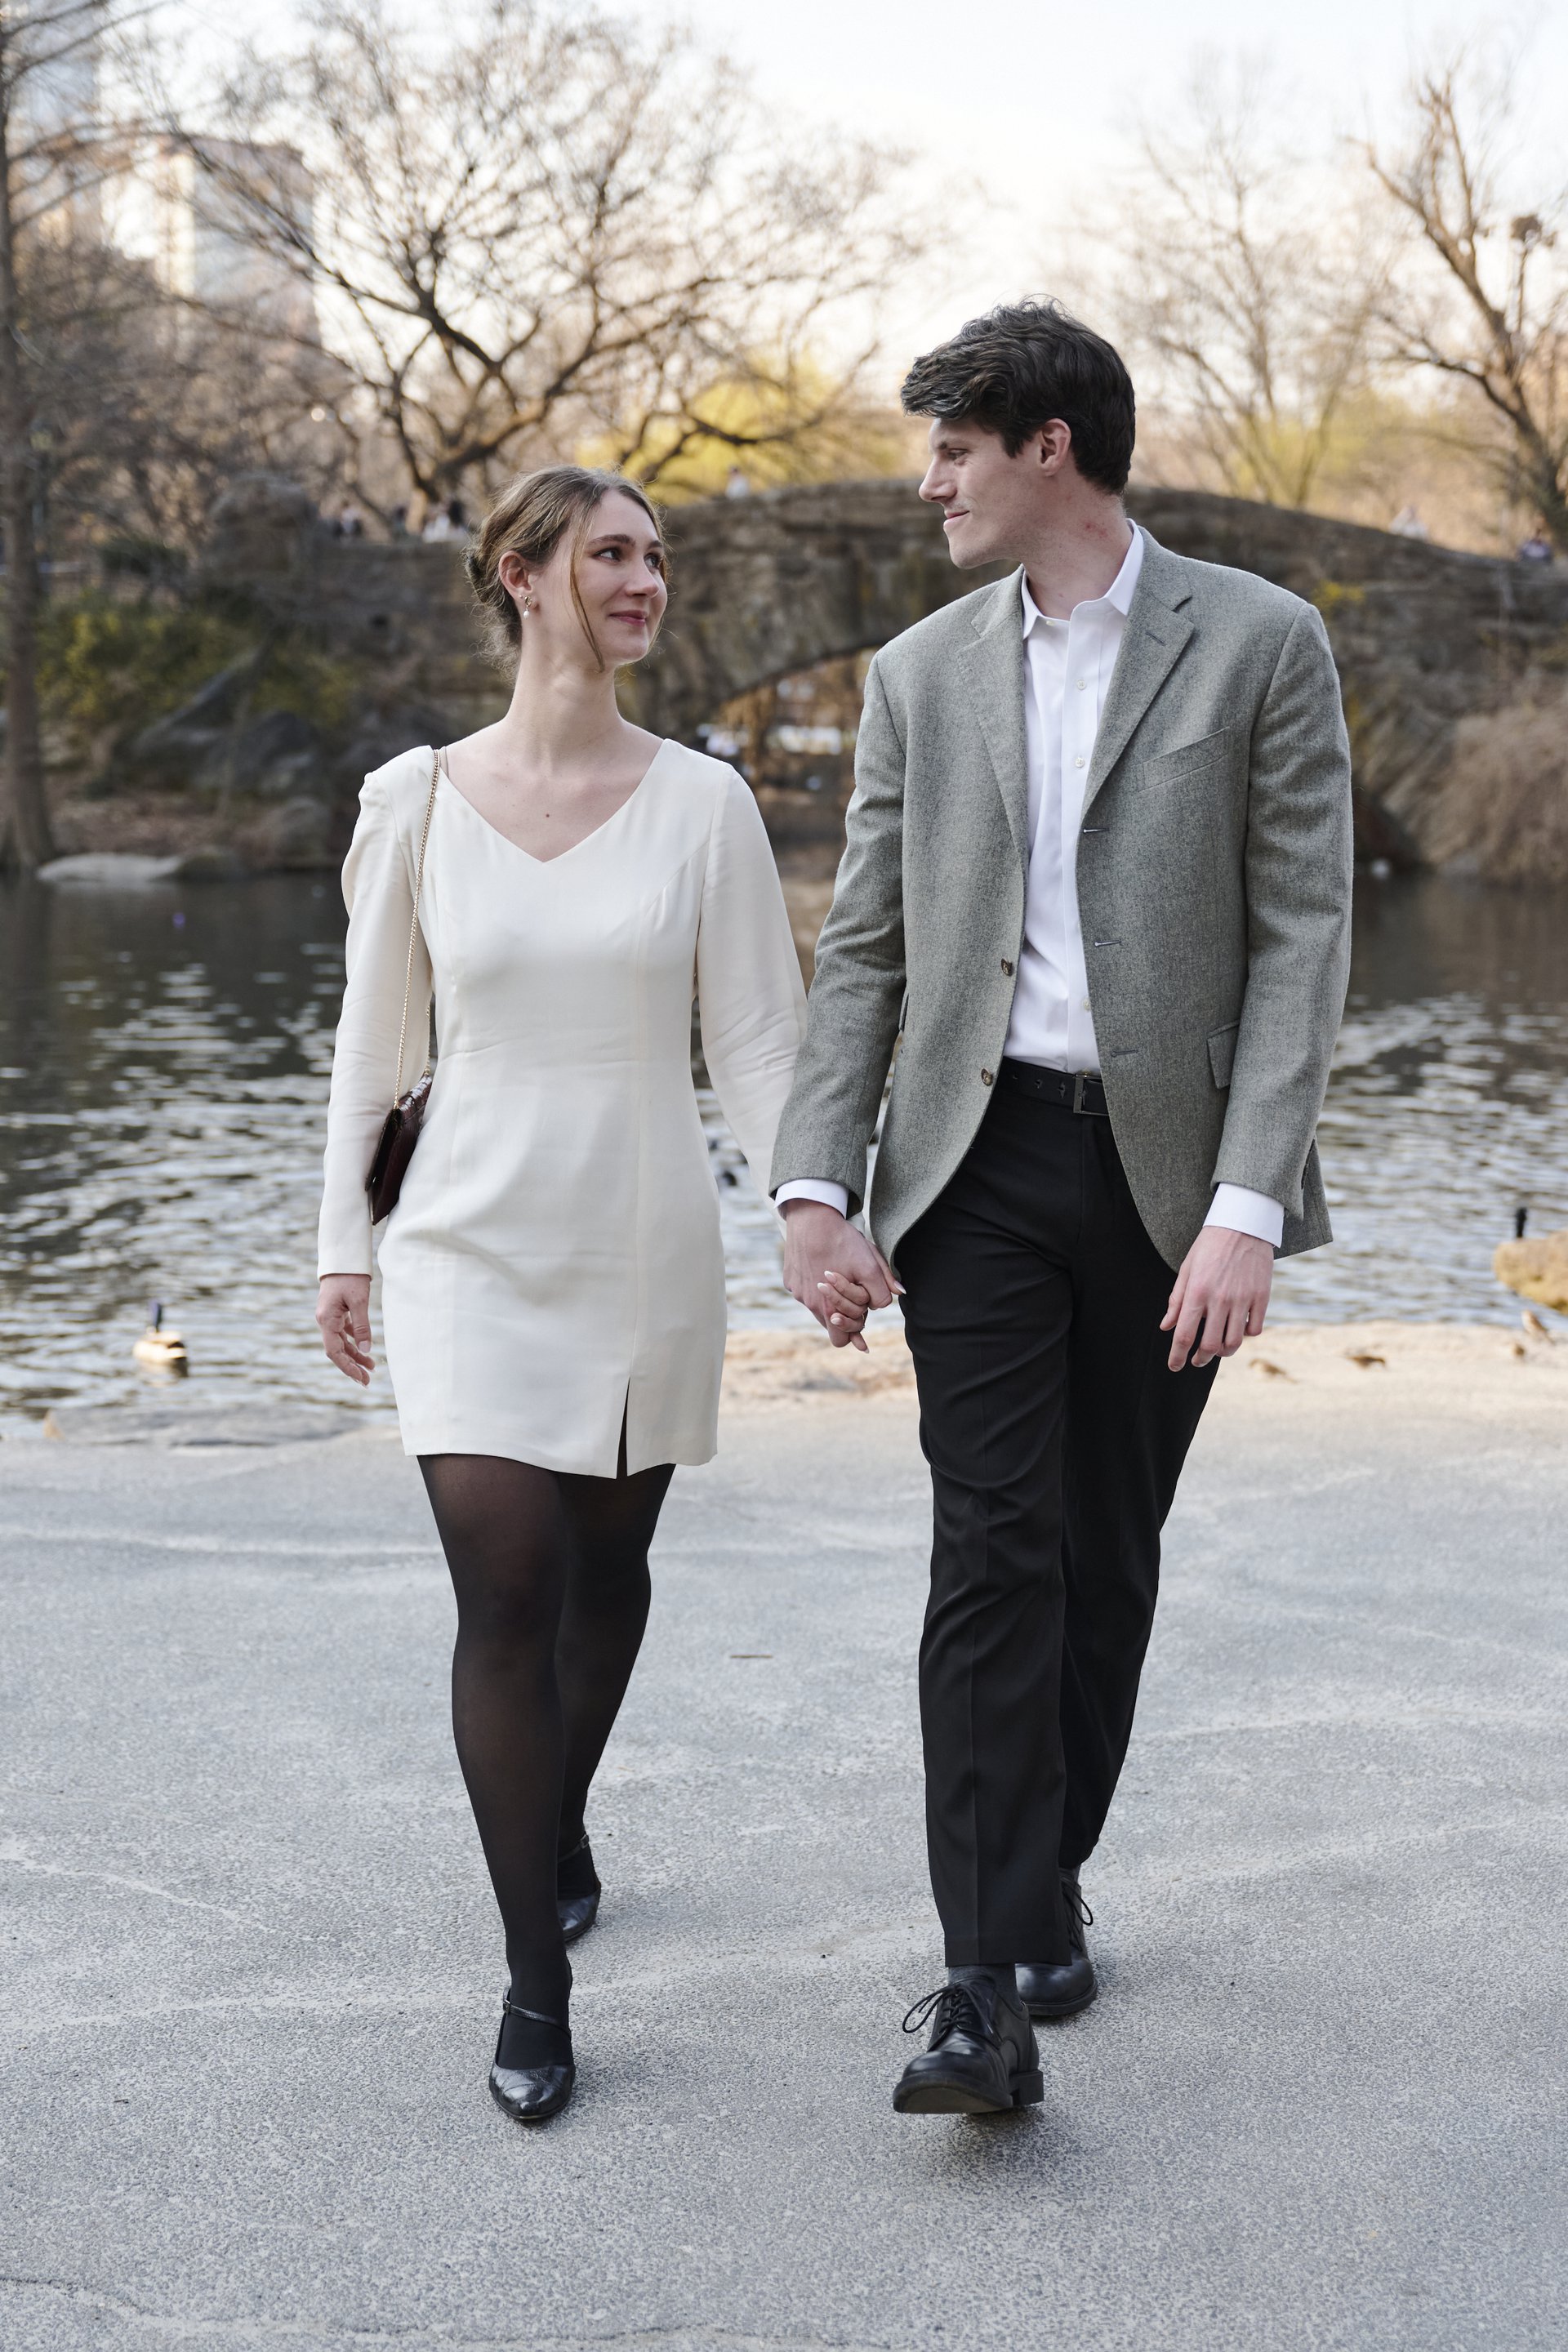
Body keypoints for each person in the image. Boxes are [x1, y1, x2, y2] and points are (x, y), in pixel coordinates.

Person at [772, 301, 1352, 2116]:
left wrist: (1250, 1205)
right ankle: (978, 1982)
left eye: (956, 447)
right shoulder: (919, 675)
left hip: (1174, 1182)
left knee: (1106, 1554)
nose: (930, 482)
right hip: (980, 1165)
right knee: (991, 1550)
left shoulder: (1261, 642)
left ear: (1050, 448)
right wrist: (814, 1183)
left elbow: (1303, 940)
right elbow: (865, 947)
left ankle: (1046, 1876)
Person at [314, 465, 805, 2125]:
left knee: (606, 1574)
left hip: (642, 1238)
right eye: (610, 553)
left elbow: (760, 1046)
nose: (643, 579)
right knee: (508, 1588)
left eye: (657, 557)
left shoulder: (705, 805)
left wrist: (814, 1212)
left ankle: (560, 1810)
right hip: (462, 1241)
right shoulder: (416, 801)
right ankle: (537, 1976)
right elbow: (376, 1048)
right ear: (524, 575)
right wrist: (343, 1244)